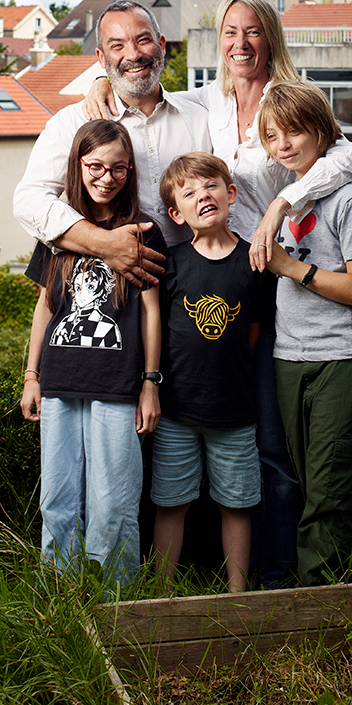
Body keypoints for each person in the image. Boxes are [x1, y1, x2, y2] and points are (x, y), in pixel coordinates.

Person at [84, 0, 352, 587]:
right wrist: (100, 90)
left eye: (253, 32)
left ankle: (274, 578)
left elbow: (349, 157)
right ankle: (195, 577)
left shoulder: (290, 101)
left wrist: (283, 203)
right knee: (193, 436)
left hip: (273, 280)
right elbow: (145, 93)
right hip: (210, 274)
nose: (241, 44)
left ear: (271, 37)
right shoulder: (205, 102)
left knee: (267, 441)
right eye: (230, 33)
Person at [20, 120, 166, 584]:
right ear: (78, 165)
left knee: (114, 499)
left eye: (119, 168)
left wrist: (150, 383)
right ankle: (59, 594)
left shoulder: (144, 231)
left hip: (118, 387)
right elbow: (45, 308)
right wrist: (31, 375)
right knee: (56, 499)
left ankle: (117, 601)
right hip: (60, 381)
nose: (106, 177)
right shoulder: (59, 230)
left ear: (131, 171)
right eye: (95, 166)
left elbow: (150, 314)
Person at [257, 81, 352, 588]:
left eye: (294, 131)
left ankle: (323, 611)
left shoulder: (349, 200)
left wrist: (291, 268)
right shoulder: (282, 200)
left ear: (321, 132)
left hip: (342, 360)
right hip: (290, 358)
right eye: (271, 136)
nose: (283, 144)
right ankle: (306, 604)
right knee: (304, 488)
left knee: (330, 496)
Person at [13, 0, 211, 281]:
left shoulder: (200, 116)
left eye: (143, 40)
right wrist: (102, 244)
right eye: (117, 46)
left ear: (162, 44)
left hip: (195, 285)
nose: (133, 54)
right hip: (119, 295)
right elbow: (28, 201)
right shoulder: (73, 122)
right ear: (101, 57)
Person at [152, 153, 271, 593]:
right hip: (176, 412)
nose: (203, 196)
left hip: (235, 413)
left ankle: (239, 599)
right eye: (189, 193)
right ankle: (161, 596)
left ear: (231, 194)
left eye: (211, 186)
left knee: (237, 505)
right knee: (170, 503)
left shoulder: (254, 263)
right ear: (175, 213)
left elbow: (254, 331)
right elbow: (159, 332)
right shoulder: (171, 263)